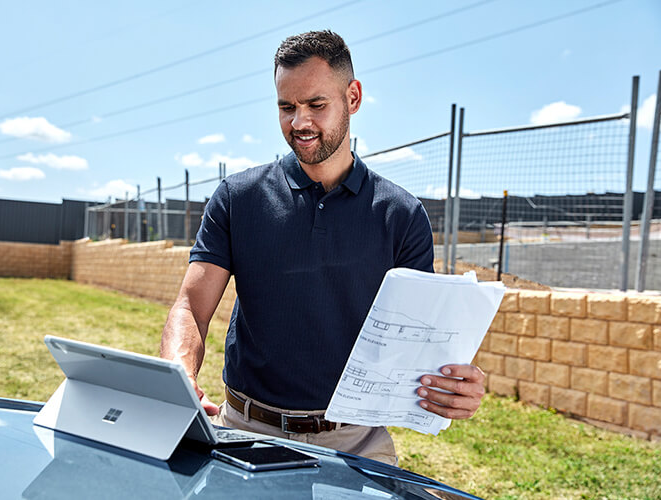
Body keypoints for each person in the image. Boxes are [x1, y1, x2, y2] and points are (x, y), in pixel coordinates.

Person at [160, 30, 485, 465]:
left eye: (316, 104)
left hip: (355, 444)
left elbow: (419, 343)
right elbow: (191, 308)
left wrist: (458, 386)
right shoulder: (237, 198)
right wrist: (178, 373)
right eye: (286, 107)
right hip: (244, 430)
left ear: (352, 97)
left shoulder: (402, 215)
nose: (300, 123)